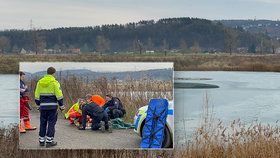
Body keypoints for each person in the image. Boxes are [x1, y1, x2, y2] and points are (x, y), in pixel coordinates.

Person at [35, 67, 65, 148]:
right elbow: (59, 96)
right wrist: (62, 106)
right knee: (51, 123)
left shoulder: (39, 82)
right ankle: (49, 141)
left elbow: (37, 96)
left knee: (42, 123)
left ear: (47, 73)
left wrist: (38, 105)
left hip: (43, 107)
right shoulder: (55, 82)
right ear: (53, 73)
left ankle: (41, 141)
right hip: (52, 107)